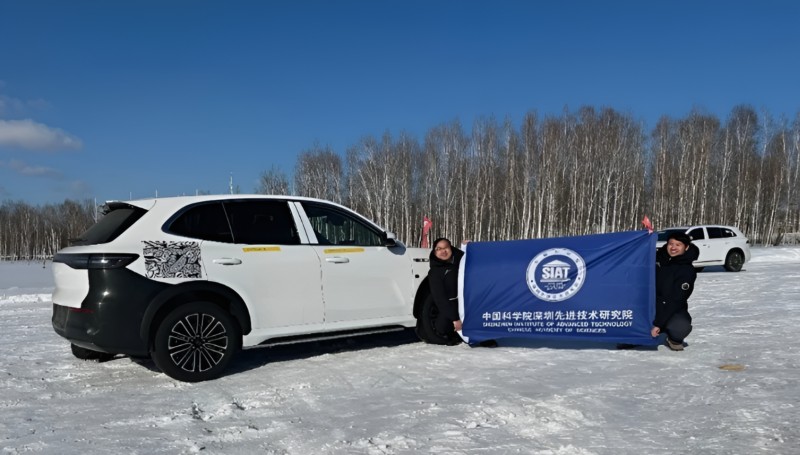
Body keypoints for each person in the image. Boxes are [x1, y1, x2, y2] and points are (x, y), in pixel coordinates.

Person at [427, 238, 497, 347]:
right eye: (439, 249)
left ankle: (482, 336)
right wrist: (455, 319)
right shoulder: (435, 272)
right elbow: (440, 298)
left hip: (470, 301)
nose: (443, 251)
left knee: (478, 315)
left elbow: (474, 258)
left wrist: (466, 247)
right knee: (443, 325)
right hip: (452, 305)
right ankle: (453, 334)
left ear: (451, 248)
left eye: (446, 248)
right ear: (434, 251)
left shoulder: (461, 260)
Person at [652, 232, 699, 351]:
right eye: (671, 244)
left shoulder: (687, 270)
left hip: (672, 308)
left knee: (681, 326)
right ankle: (633, 338)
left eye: (678, 245)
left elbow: (675, 300)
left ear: (686, 247)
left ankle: (674, 338)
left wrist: (658, 324)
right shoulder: (657, 259)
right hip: (650, 305)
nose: (673, 247)